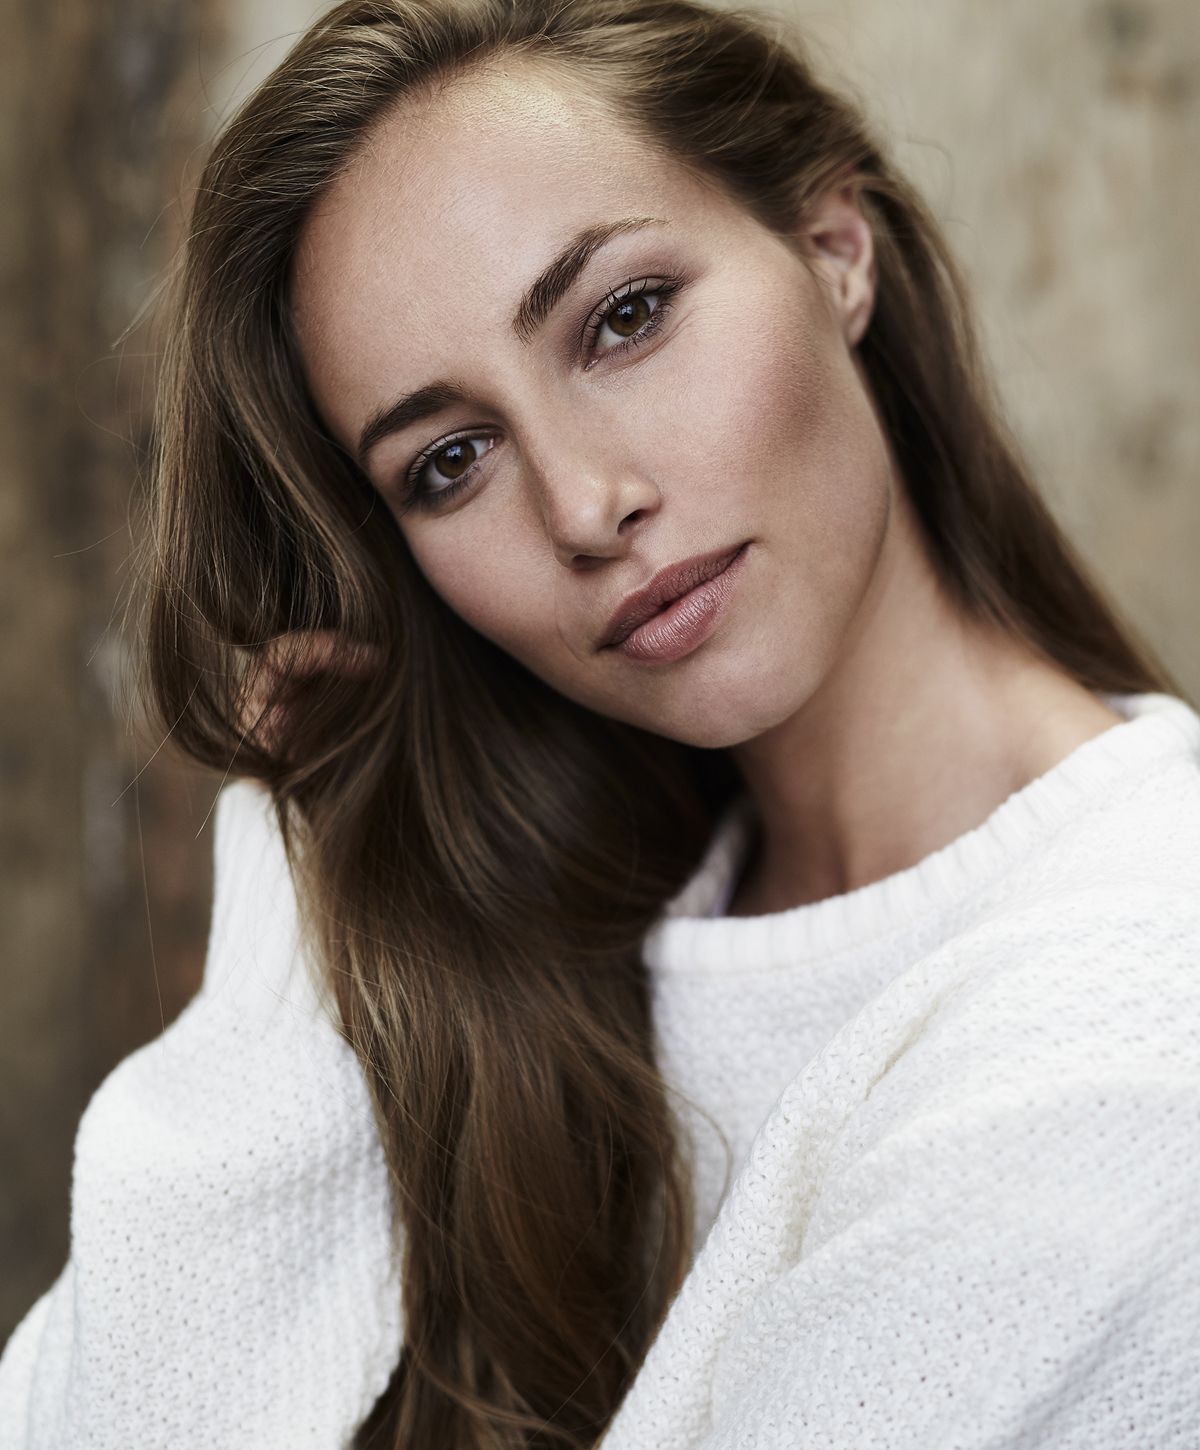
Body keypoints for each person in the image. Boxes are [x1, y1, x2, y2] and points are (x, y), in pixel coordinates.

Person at [2, 0, 1198, 1444]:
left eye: (624, 319)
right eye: (449, 460)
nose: (583, 505)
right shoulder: (561, 951)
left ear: (833, 250)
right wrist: (314, 898)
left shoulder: (1138, 990)